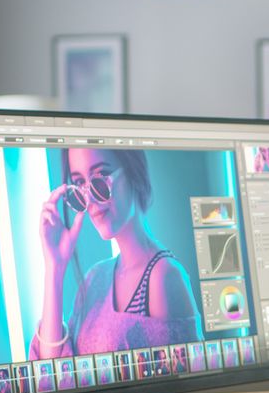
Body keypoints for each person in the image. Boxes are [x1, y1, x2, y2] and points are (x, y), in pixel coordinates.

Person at [31, 148, 202, 360]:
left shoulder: (163, 277)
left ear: (132, 171)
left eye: (100, 177)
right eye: (80, 184)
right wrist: (54, 268)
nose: (90, 198)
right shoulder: (94, 279)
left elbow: (182, 386)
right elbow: (53, 375)